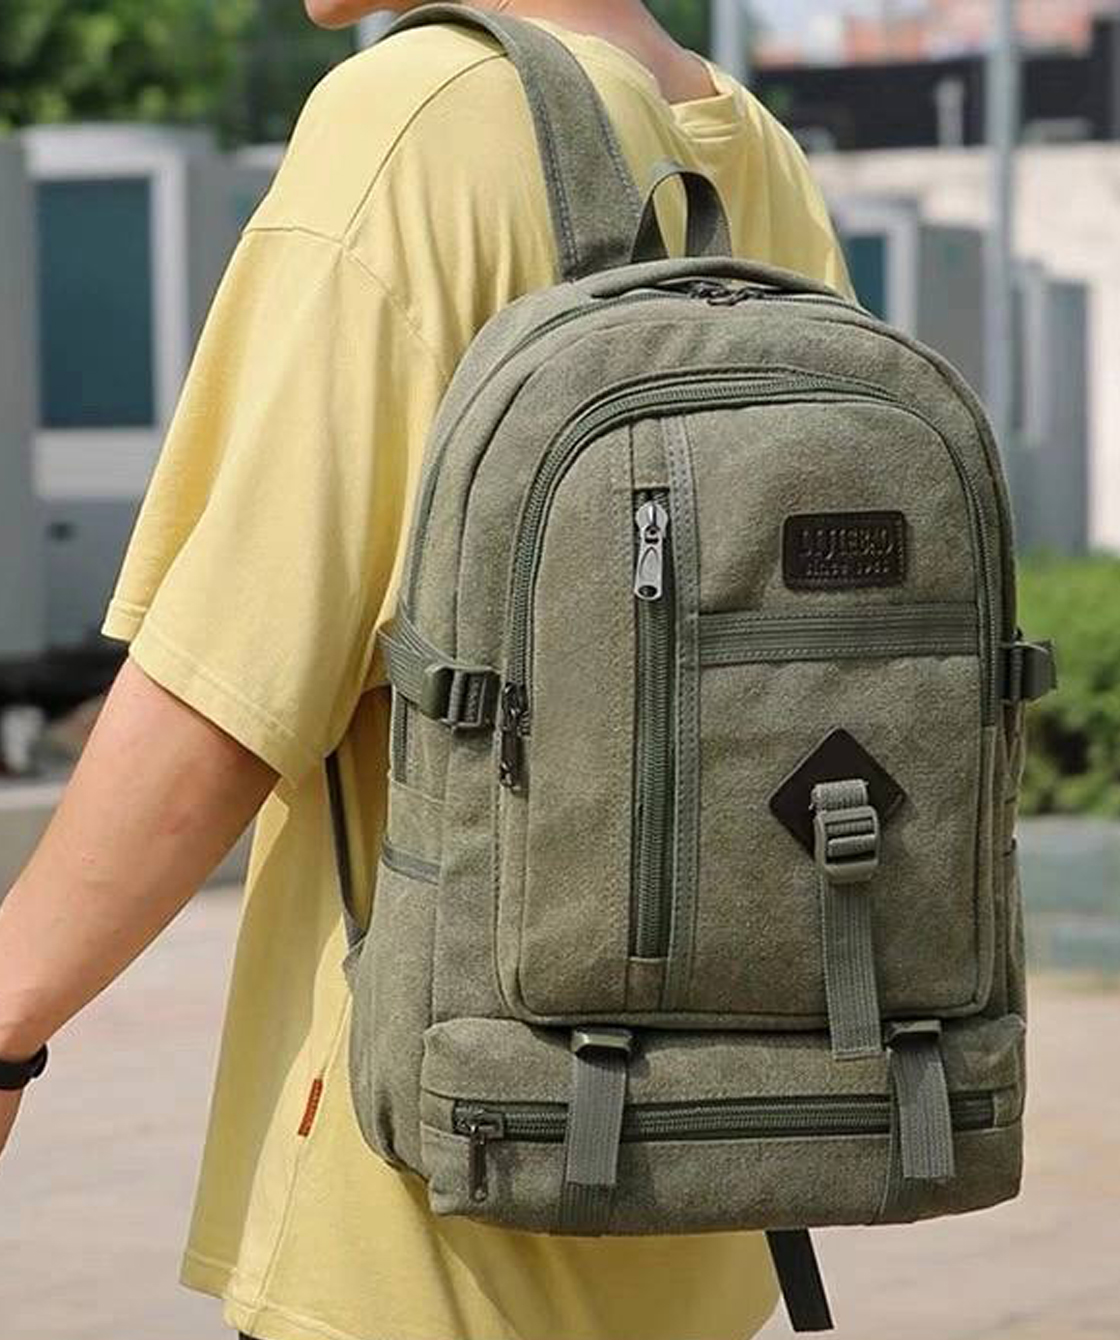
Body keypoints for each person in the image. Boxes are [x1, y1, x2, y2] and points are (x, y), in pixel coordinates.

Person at [0, 2, 854, 1337]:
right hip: (710, 1201)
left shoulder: (417, 117)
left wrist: (6, 1022)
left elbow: (230, 687)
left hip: (429, 1207)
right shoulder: (755, 155)